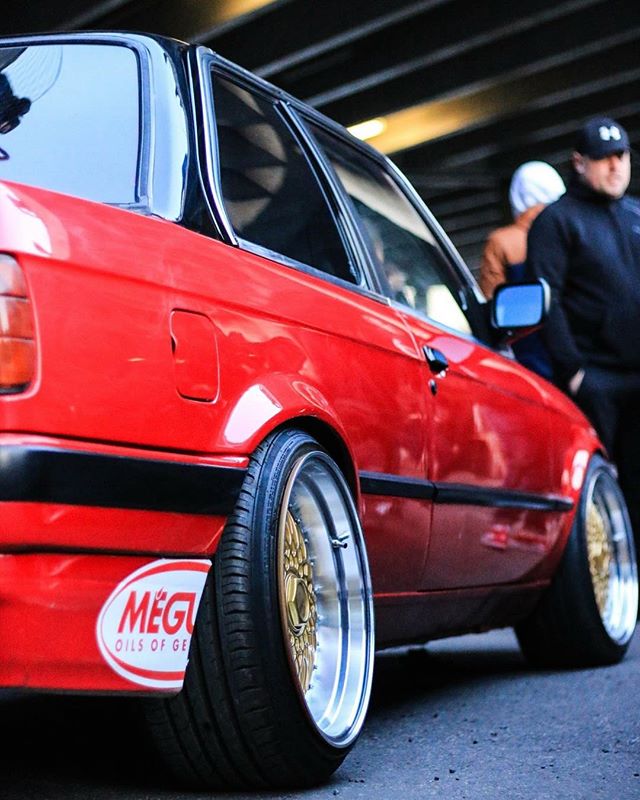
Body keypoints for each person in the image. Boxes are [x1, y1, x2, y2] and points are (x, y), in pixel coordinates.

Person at [526, 116, 640, 550]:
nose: (615, 166)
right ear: (580, 162)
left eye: (621, 156)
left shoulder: (635, 214)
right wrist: (574, 372)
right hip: (596, 381)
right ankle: (603, 592)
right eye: (603, 158)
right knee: (597, 497)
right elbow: (546, 302)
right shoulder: (557, 221)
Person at [479, 161, 565, 377]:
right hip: (579, 359)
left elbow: (489, 310)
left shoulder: (501, 242)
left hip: (528, 363)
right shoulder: (572, 234)